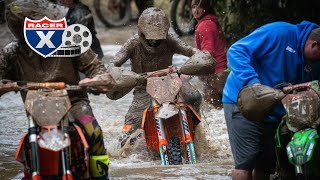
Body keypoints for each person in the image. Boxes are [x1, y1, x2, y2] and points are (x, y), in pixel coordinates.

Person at [3, 0, 109, 179]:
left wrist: (98, 79)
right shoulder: (11, 52)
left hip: (74, 101)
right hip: (37, 106)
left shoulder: (70, 40)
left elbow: (97, 68)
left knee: (95, 132)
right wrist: (5, 86)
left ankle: (102, 177)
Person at [222, 21, 320, 180]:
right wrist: (254, 83)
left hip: (275, 111)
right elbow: (236, 51)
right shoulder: (279, 33)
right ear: (314, 45)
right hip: (243, 102)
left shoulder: (316, 62)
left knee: (265, 165)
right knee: (245, 163)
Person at [108, 7, 203, 148]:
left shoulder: (170, 39)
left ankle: (197, 135)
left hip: (170, 84)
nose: (154, 42)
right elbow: (113, 63)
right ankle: (125, 149)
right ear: (141, 32)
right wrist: (121, 75)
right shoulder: (133, 43)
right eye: (151, 39)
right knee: (129, 129)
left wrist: (199, 57)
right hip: (143, 88)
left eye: (158, 39)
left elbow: (190, 51)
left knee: (194, 96)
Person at [191, 0, 228, 109]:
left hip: (215, 75)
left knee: (216, 110)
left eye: (199, 7)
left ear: (205, 9)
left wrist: (190, 69)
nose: (196, 11)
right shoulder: (210, 22)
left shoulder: (205, 25)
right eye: (193, 7)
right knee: (222, 110)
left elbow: (207, 52)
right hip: (220, 72)